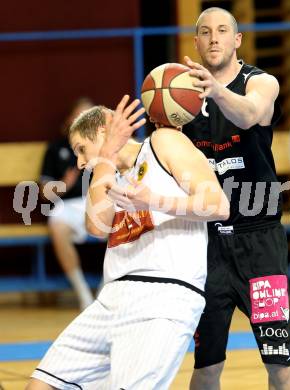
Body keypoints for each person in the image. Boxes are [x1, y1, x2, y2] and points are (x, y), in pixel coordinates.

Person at [27, 96, 230, 389]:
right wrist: (106, 157)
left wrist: (154, 201)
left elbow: (218, 206)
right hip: (112, 298)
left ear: (104, 131)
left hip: (165, 294)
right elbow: (97, 227)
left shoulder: (162, 143)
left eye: (82, 150)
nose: (81, 162)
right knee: (40, 385)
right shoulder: (108, 175)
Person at [181, 7, 290, 390]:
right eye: (205, 32)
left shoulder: (260, 82)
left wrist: (217, 91)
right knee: (206, 367)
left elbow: (251, 114)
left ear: (237, 40)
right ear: (196, 42)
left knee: (279, 363)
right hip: (207, 247)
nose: (213, 37)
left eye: (222, 31)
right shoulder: (181, 96)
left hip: (260, 244)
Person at [40, 97, 95, 310]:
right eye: (79, 115)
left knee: (126, 222)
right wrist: (64, 184)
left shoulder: (104, 148)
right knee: (56, 224)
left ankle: (105, 292)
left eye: (89, 116)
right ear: (70, 119)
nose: (83, 120)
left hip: (100, 203)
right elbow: (45, 194)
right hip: (68, 206)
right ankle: (83, 294)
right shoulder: (56, 148)